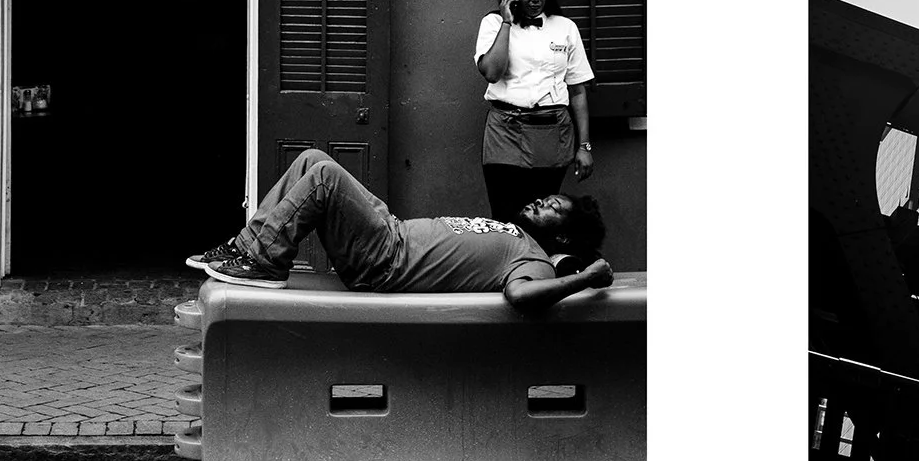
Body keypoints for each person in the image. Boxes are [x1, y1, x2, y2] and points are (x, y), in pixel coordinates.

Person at [187, 149, 613, 313]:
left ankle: (262, 261)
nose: (541, 200)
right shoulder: (512, 231)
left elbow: (521, 297)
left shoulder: (534, 261)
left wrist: (586, 278)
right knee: (311, 159)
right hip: (390, 233)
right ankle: (247, 248)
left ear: (563, 237)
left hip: (387, 261)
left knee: (324, 177)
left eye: (553, 207)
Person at [473, 0, 596, 224]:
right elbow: (492, 73)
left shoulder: (565, 28)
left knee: (543, 218)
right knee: (506, 215)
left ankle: (541, 266)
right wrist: (507, 22)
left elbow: (578, 92)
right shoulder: (493, 24)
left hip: (552, 133)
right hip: (505, 131)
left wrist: (584, 145)